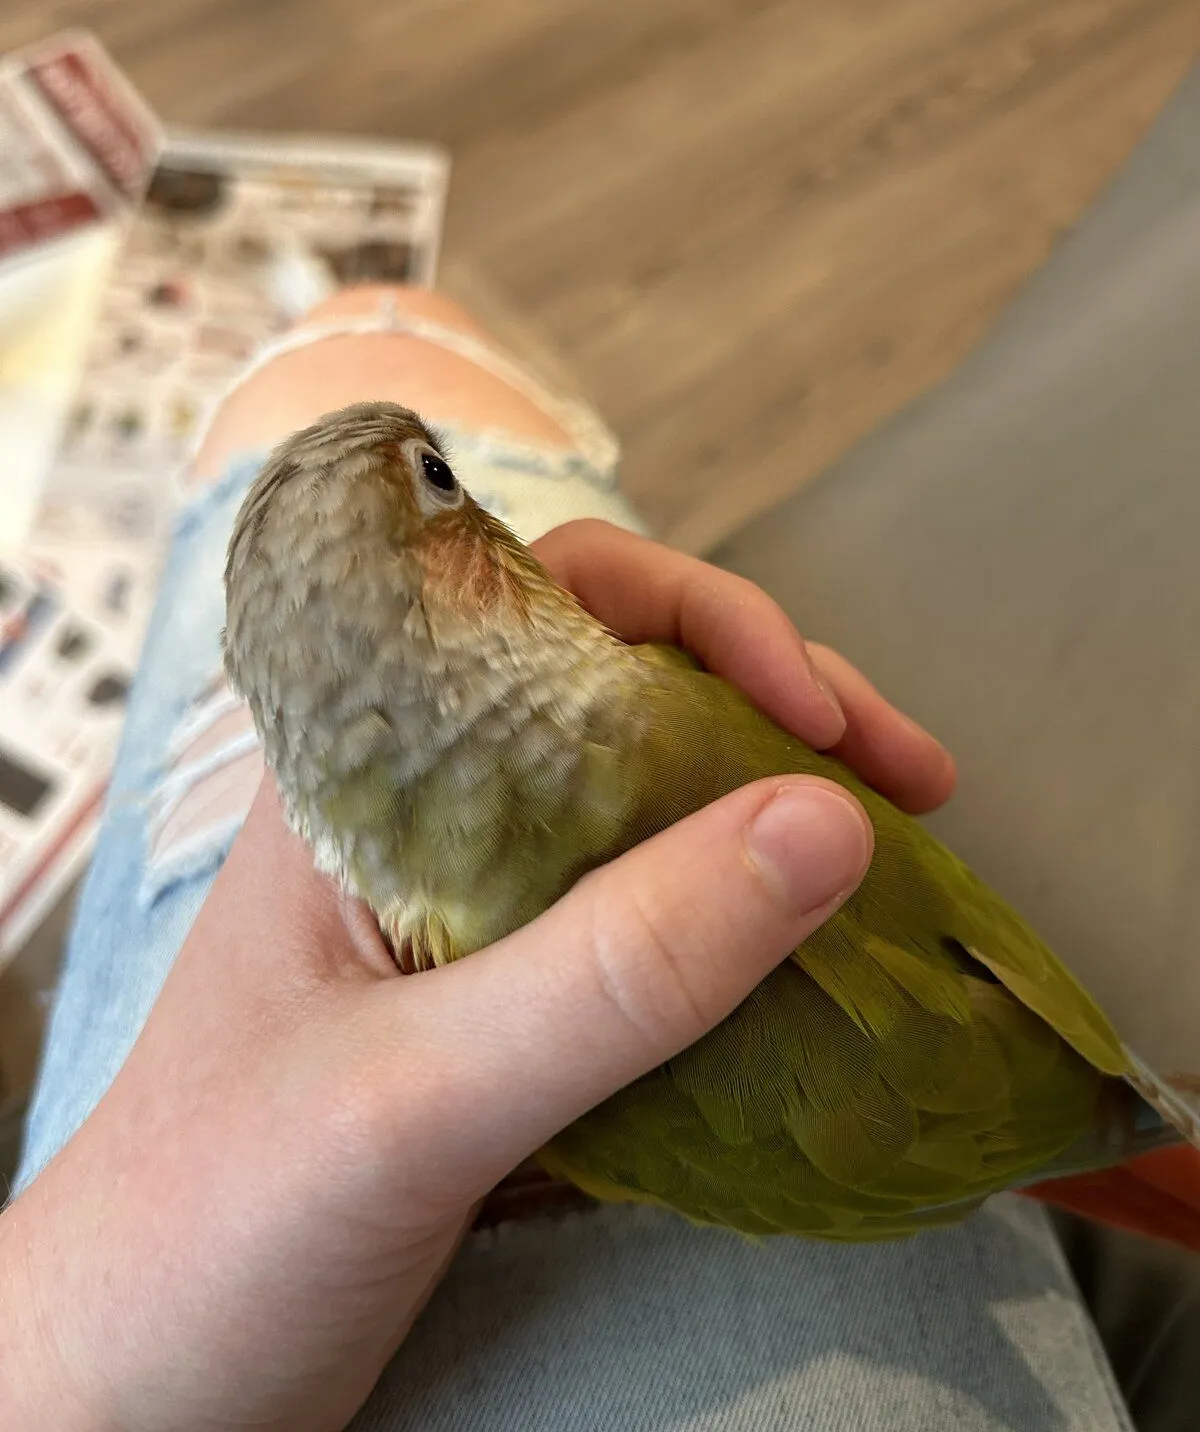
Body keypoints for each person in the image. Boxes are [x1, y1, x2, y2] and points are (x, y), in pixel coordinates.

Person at [0, 287, 1136, 1431]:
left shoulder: (454, 921)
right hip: (974, 1120)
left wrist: (59, 1341)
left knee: (352, 338)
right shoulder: (666, 696)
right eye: (437, 479)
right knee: (376, 324)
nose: (459, 483)